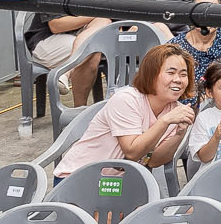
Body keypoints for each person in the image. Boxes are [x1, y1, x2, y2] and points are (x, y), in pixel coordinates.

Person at [54, 43, 197, 178]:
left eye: (183, 74)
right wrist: (164, 121)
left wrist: (179, 134)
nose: (178, 79)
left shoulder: (175, 111)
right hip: (78, 178)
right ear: (151, 74)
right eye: (171, 73)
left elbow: (154, 161)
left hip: (120, 186)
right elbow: (132, 152)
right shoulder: (127, 100)